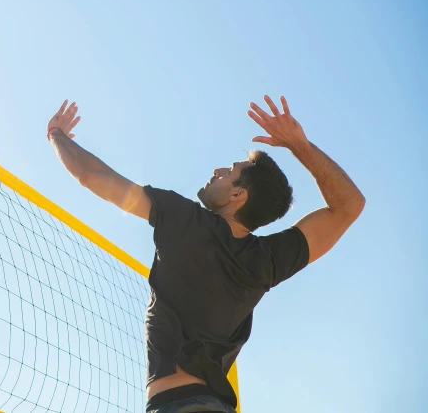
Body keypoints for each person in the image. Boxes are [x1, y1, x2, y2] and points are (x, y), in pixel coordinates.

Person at [46, 95, 365, 413]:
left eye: (229, 171)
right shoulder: (267, 261)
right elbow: (350, 206)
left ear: (238, 194)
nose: (217, 171)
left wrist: (56, 135)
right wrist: (300, 145)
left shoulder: (184, 220)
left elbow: (90, 176)